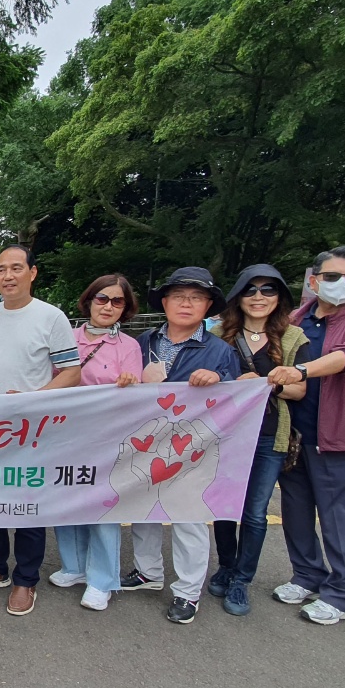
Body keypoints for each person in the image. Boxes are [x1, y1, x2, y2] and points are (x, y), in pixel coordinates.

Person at [267, 246, 345, 626]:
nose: (342, 284)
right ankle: (307, 575)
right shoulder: (291, 320)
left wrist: (302, 371)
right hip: (293, 434)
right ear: (314, 280)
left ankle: (344, 594)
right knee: (296, 511)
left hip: (344, 434)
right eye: (333, 276)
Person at [0, 245, 83, 617]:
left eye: (16, 268)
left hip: (33, 428)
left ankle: (25, 579)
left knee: (28, 503)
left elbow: (72, 373)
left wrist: (33, 399)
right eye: (1, 269)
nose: (8, 275)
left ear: (32, 272)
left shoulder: (51, 316)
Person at [122, 267, 240, 624]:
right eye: (178, 296)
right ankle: (148, 572)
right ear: (165, 302)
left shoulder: (219, 350)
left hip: (194, 447)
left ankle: (188, 591)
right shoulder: (142, 343)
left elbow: (238, 395)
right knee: (142, 509)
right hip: (146, 442)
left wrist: (220, 378)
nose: (186, 304)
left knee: (188, 517)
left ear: (207, 306)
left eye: (196, 298)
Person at [207, 265, 309, 616]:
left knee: (254, 513)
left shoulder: (294, 337)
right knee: (223, 507)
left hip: (269, 436)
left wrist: (268, 383)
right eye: (250, 290)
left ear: (279, 297)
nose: (258, 297)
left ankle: (242, 579)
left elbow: (299, 389)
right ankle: (224, 565)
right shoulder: (217, 334)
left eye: (268, 290)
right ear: (238, 296)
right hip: (225, 437)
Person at [50, 275, 144, 611]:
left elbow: (138, 396)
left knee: (104, 506)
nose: (108, 307)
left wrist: (132, 383)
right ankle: (74, 566)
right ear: (89, 300)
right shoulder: (67, 337)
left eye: (117, 302)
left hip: (108, 437)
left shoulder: (129, 347)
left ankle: (102, 579)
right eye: (102, 299)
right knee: (67, 499)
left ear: (126, 308)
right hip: (66, 434)